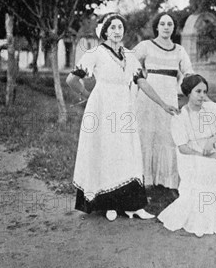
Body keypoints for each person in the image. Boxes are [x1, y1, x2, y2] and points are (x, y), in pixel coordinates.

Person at [66, 13, 178, 222]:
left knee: (128, 152)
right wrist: (88, 95)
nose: (117, 31)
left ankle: (132, 205)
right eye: (113, 27)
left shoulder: (129, 55)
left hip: (125, 109)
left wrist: (163, 104)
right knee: (107, 152)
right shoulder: (96, 53)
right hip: (102, 109)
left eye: (120, 28)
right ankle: (108, 204)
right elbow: (72, 79)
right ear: (106, 31)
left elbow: (142, 82)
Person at [157, 74, 216, 237]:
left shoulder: (211, 109)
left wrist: (212, 140)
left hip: (212, 152)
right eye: (198, 91)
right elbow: (183, 148)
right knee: (207, 167)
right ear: (188, 92)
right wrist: (204, 155)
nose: (202, 96)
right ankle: (200, 221)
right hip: (191, 156)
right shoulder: (180, 116)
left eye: (204, 92)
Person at [134, 12, 194, 190]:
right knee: (146, 135)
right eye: (163, 24)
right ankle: (144, 180)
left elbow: (189, 71)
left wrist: (191, 82)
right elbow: (129, 65)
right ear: (157, 27)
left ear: (174, 28)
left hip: (169, 97)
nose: (166, 27)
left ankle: (166, 181)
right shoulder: (146, 46)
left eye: (170, 24)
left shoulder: (179, 50)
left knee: (168, 136)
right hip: (147, 97)